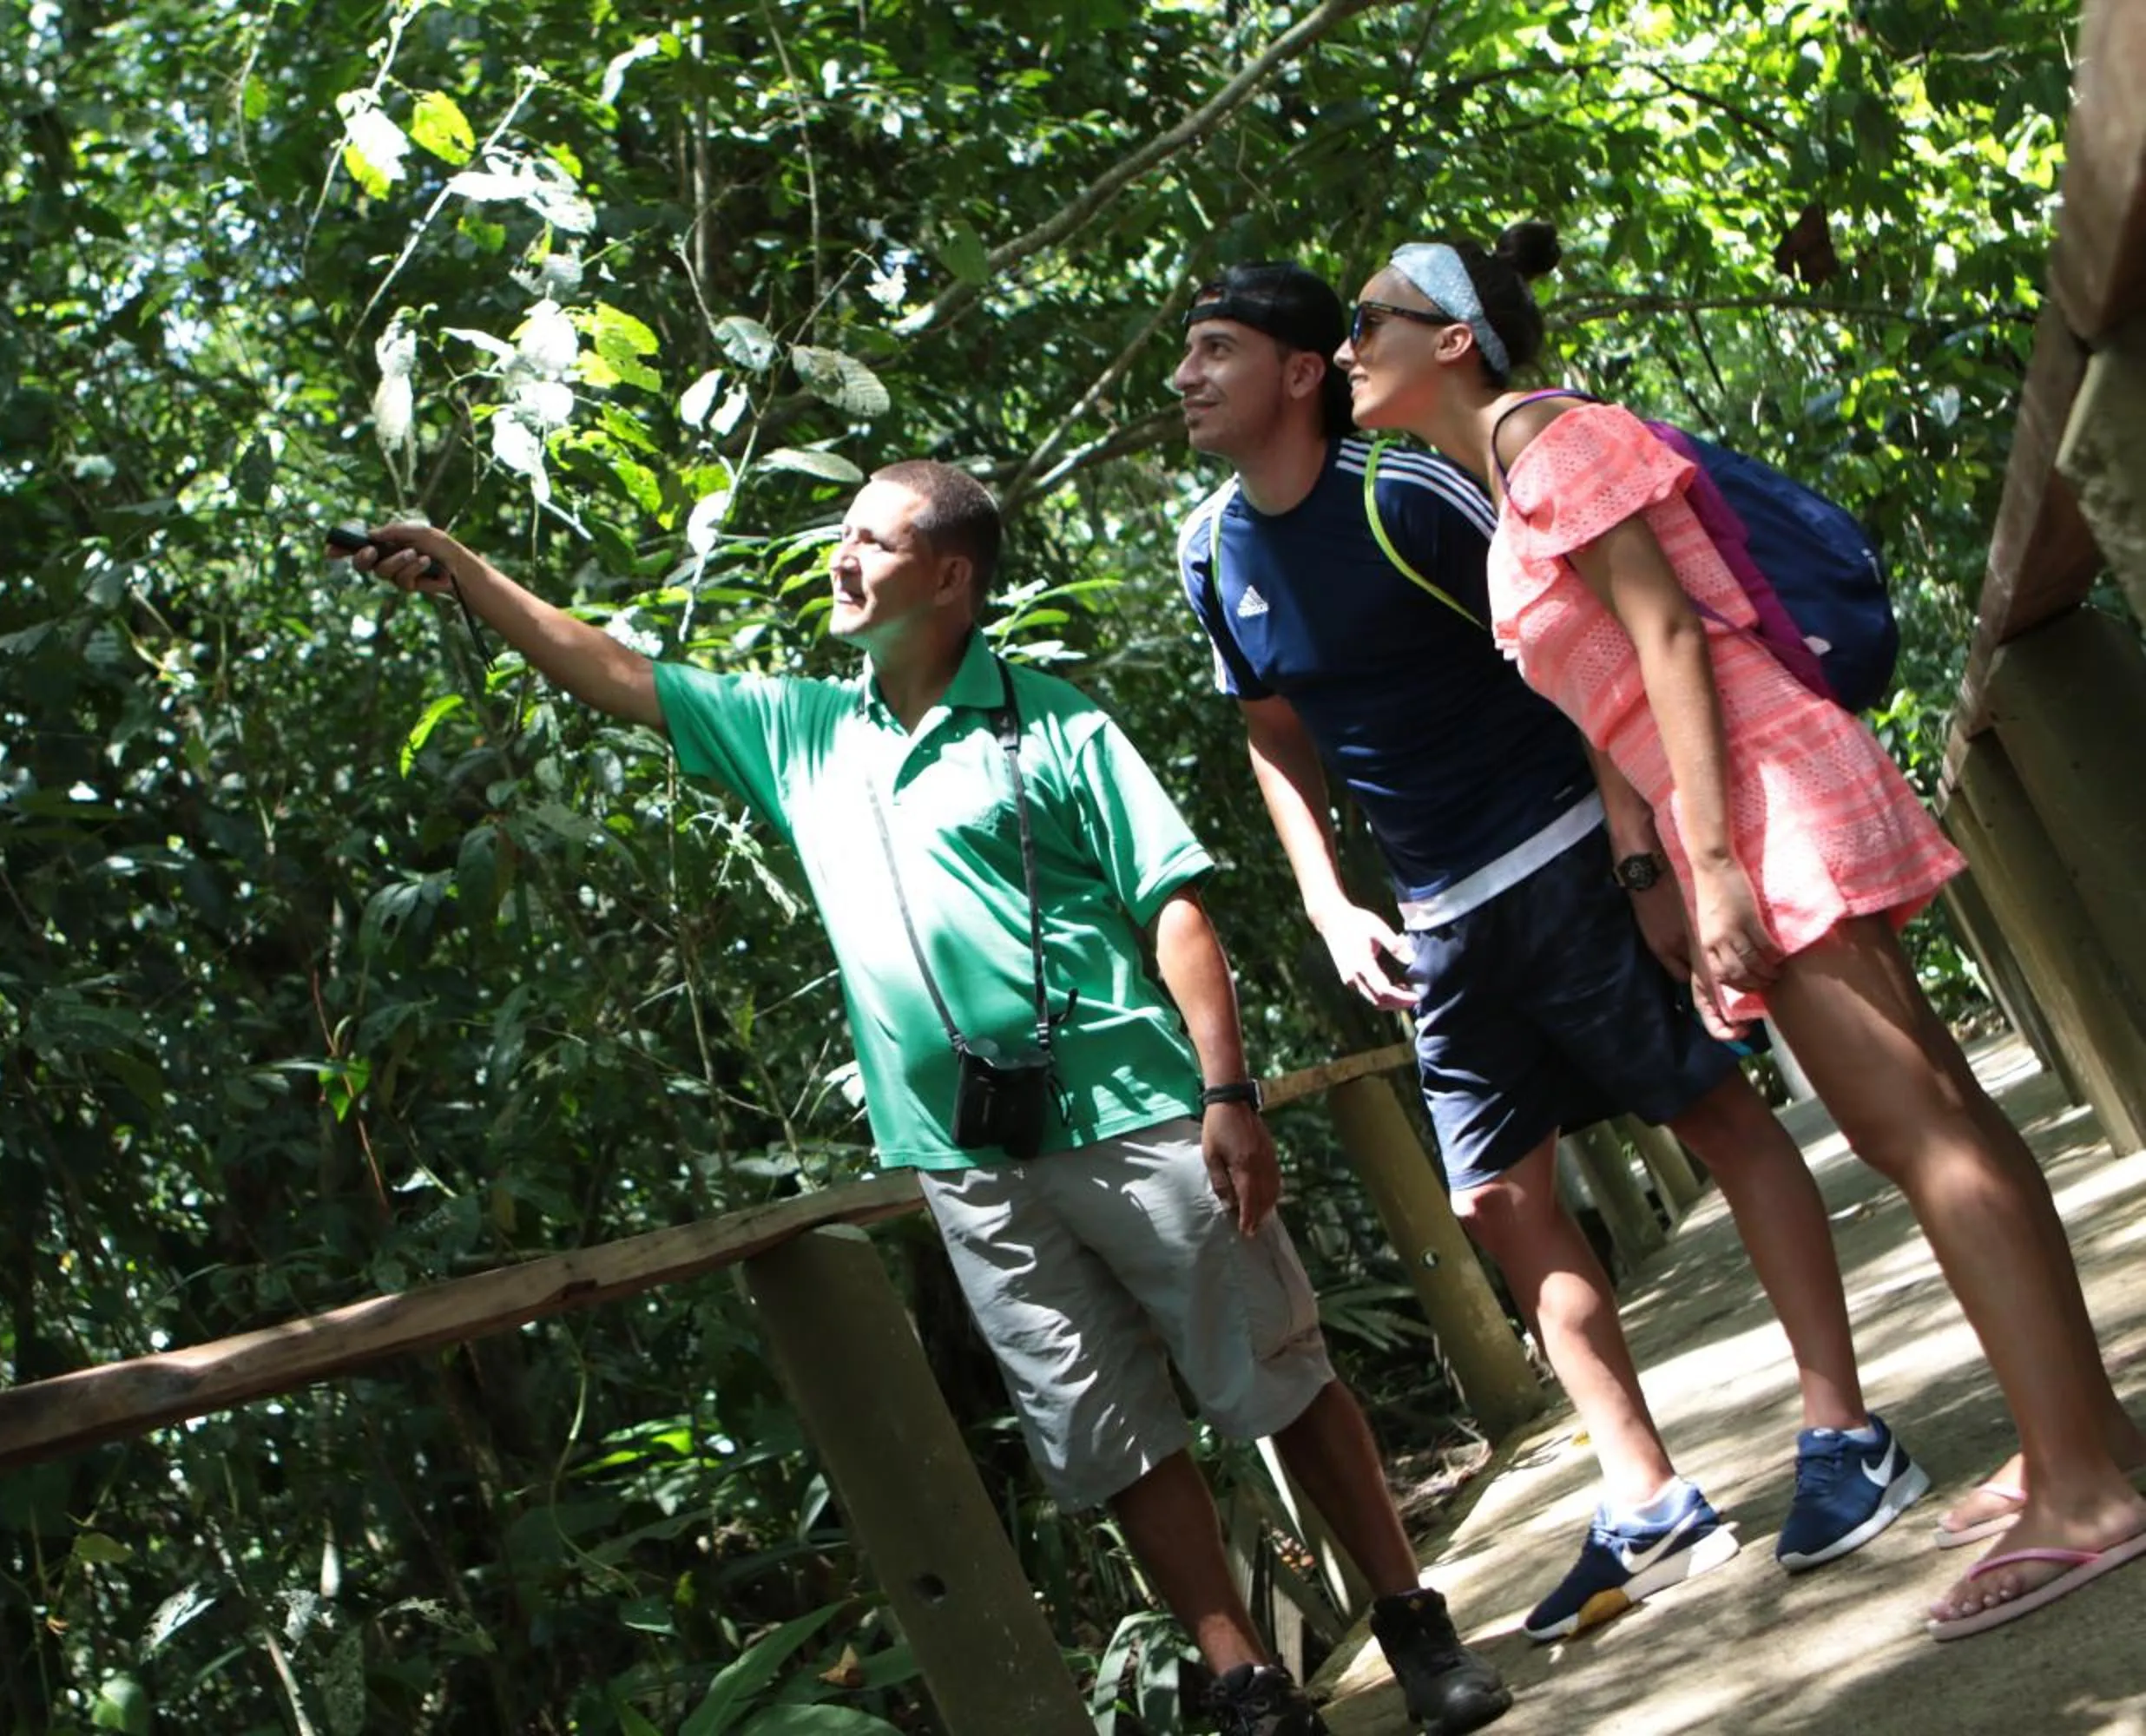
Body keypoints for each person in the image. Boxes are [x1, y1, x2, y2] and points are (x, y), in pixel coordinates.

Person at [333, 463, 1511, 1736]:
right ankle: (1247, 1681)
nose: (841, 558)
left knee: (1275, 1377)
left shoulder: (1053, 723)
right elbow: (613, 671)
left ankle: (1412, 1622)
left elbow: (1172, 904)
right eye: (842, 534)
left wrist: (1227, 1089)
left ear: (949, 576)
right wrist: (461, 563)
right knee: (1107, 1432)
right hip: (964, 1162)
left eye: (871, 540)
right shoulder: (803, 733)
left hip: (1137, 1117)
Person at [1332, 221, 2146, 1641]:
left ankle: (2086, 1485)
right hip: (1742, 793)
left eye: (1366, 321)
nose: (1346, 349)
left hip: (1764, 794)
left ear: (1453, 338)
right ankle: (2082, 1435)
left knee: (1917, 1129)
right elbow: (1619, 686)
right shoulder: (1505, 470)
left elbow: (1667, 643)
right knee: (1931, 1118)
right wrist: (1668, 853)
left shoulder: (1545, 440)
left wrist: (1709, 870)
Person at [1171, 262, 1928, 1647]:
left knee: (1712, 1111)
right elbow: (1275, 737)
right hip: (1439, 918)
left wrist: (1641, 853)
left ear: (1294, 375)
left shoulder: (1407, 494)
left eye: (1215, 350)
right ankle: (1645, 1497)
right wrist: (1333, 900)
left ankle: (1843, 1432)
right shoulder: (1212, 548)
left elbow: (1571, 635)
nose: (1185, 378)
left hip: (1568, 849)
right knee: (1496, 1202)